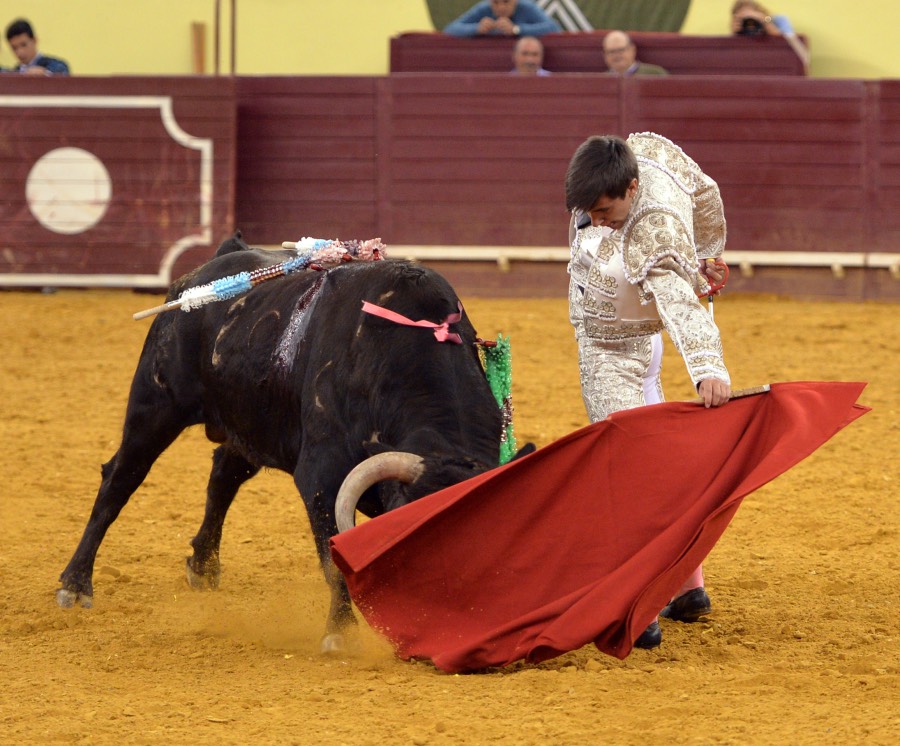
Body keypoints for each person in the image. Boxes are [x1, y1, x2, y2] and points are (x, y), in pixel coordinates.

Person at [564, 132, 732, 649]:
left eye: (605, 209)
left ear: (632, 189)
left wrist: (708, 366)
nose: (595, 220)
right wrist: (707, 253)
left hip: (612, 353)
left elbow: (681, 303)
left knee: (626, 475)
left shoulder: (652, 229)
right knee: (657, 465)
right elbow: (706, 191)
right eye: (586, 210)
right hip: (646, 346)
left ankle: (640, 605)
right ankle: (687, 587)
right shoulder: (644, 155)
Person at [730, 1, 809, 71]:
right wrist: (736, 34)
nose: (751, 23)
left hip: (780, 68)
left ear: (760, 11)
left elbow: (797, 50)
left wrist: (765, 21)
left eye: (752, 17)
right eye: (746, 20)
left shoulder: (778, 20)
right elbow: (736, 61)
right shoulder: (741, 27)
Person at [443, 0, 561, 38]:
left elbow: (554, 27)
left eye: (506, 1)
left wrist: (517, 30)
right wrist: (476, 28)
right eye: (495, 2)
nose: (501, 7)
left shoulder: (526, 7)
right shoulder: (484, 8)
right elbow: (450, 29)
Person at [5, 18, 69, 75]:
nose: (20, 52)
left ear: (34, 41)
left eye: (23, 45)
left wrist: (46, 74)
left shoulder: (57, 66)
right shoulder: (14, 73)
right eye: (14, 48)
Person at [602, 30, 668, 76]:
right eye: (611, 52)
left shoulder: (655, 74)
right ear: (605, 55)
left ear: (632, 50)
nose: (616, 55)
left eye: (621, 50)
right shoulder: (600, 81)